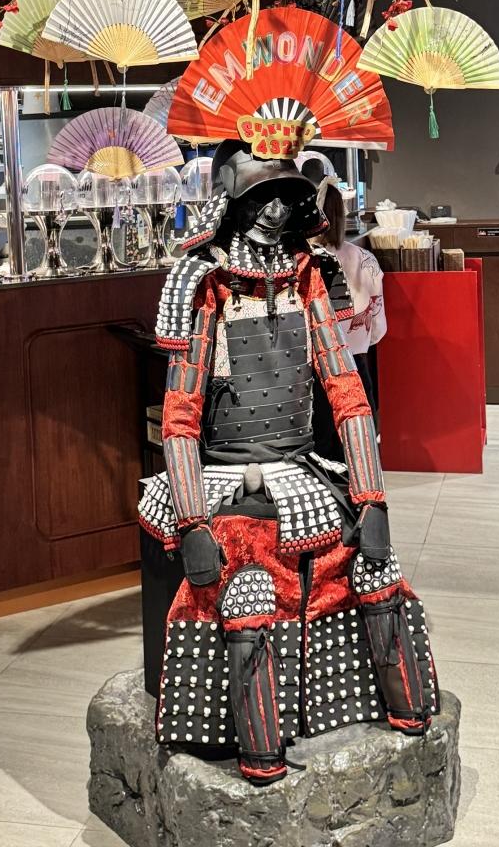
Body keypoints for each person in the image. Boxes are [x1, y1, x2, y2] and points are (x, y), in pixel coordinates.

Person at [139, 136, 439, 786]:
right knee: (250, 592)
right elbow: (180, 416)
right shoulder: (204, 283)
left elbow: (347, 392)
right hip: (227, 477)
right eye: (261, 196)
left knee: (379, 573)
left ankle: (405, 712)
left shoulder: (311, 277)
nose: (275, 211)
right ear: (234, 201)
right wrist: (192, 521)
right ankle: (261, 751)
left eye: (285, 196)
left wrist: (372, 497)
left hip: (302, 469)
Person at [317, 181, 387, 419]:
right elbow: (377, 327)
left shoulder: (301, 262)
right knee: (360, 432)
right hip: (356, 363)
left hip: (314, 373)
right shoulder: (365, 259)